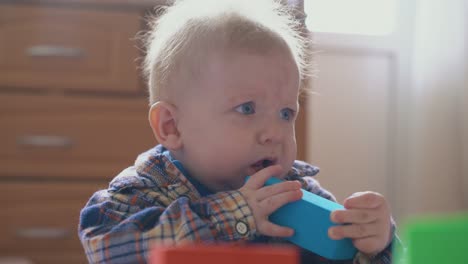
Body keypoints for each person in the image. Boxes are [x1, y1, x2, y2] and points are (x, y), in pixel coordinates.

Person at [79, 0, 397, 263]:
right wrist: (235, 215)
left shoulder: (298, 195)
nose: (274, 132)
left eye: (286, 113)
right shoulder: (136, 194)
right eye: (247, 109)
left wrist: (373, 245)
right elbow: (111, 253)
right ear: (171, 126)